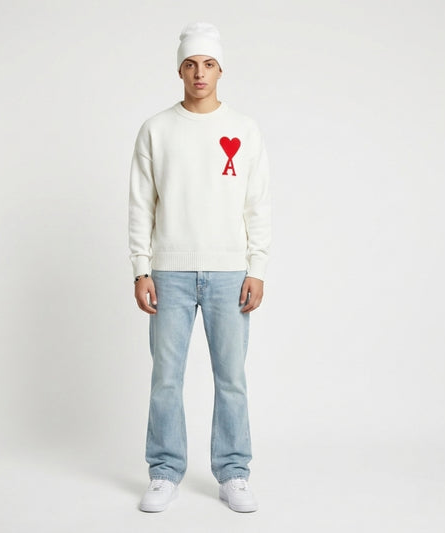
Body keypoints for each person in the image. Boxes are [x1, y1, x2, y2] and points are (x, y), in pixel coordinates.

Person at [128, 22, 271, 513]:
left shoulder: (245, 129)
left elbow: (257, 204)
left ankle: (233, 472)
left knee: (231, 377)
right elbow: (141, 205)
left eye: (208, 64)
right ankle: (164, 471)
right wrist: (141, 268)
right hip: (169, 271)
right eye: (190, 64)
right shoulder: (156, 129)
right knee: (166, 378)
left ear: (221, 69)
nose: (199, 73)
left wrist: (256, 267)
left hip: (230, 272)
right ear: (179, 70)